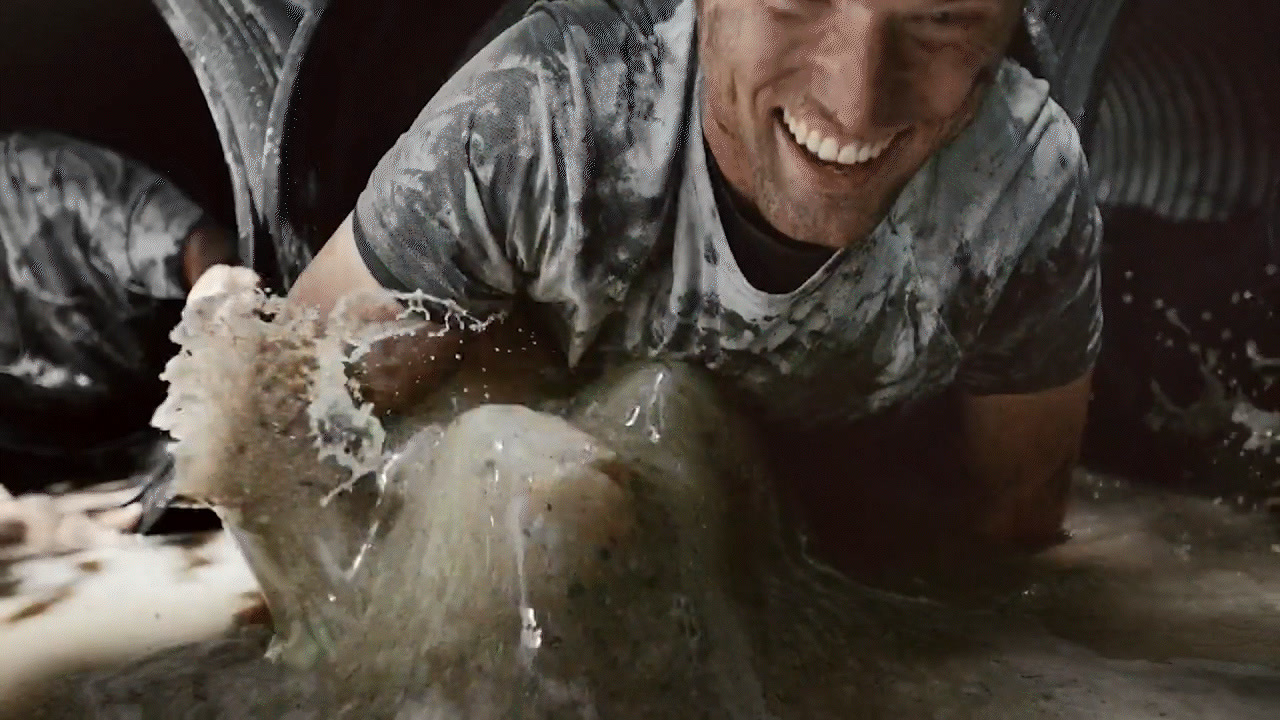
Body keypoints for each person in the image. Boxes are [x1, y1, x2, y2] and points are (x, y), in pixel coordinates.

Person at [204, 0, 1102, 578]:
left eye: (938, 17)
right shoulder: (547, 112)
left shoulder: (1020, 188)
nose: (856, 101)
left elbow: (1012, 536)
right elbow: (279, 428)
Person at [0, 130, 237, 531]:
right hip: (40, 463)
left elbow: (208, 255)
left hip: (170, 418)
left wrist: (219, 325)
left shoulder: (47, 182)